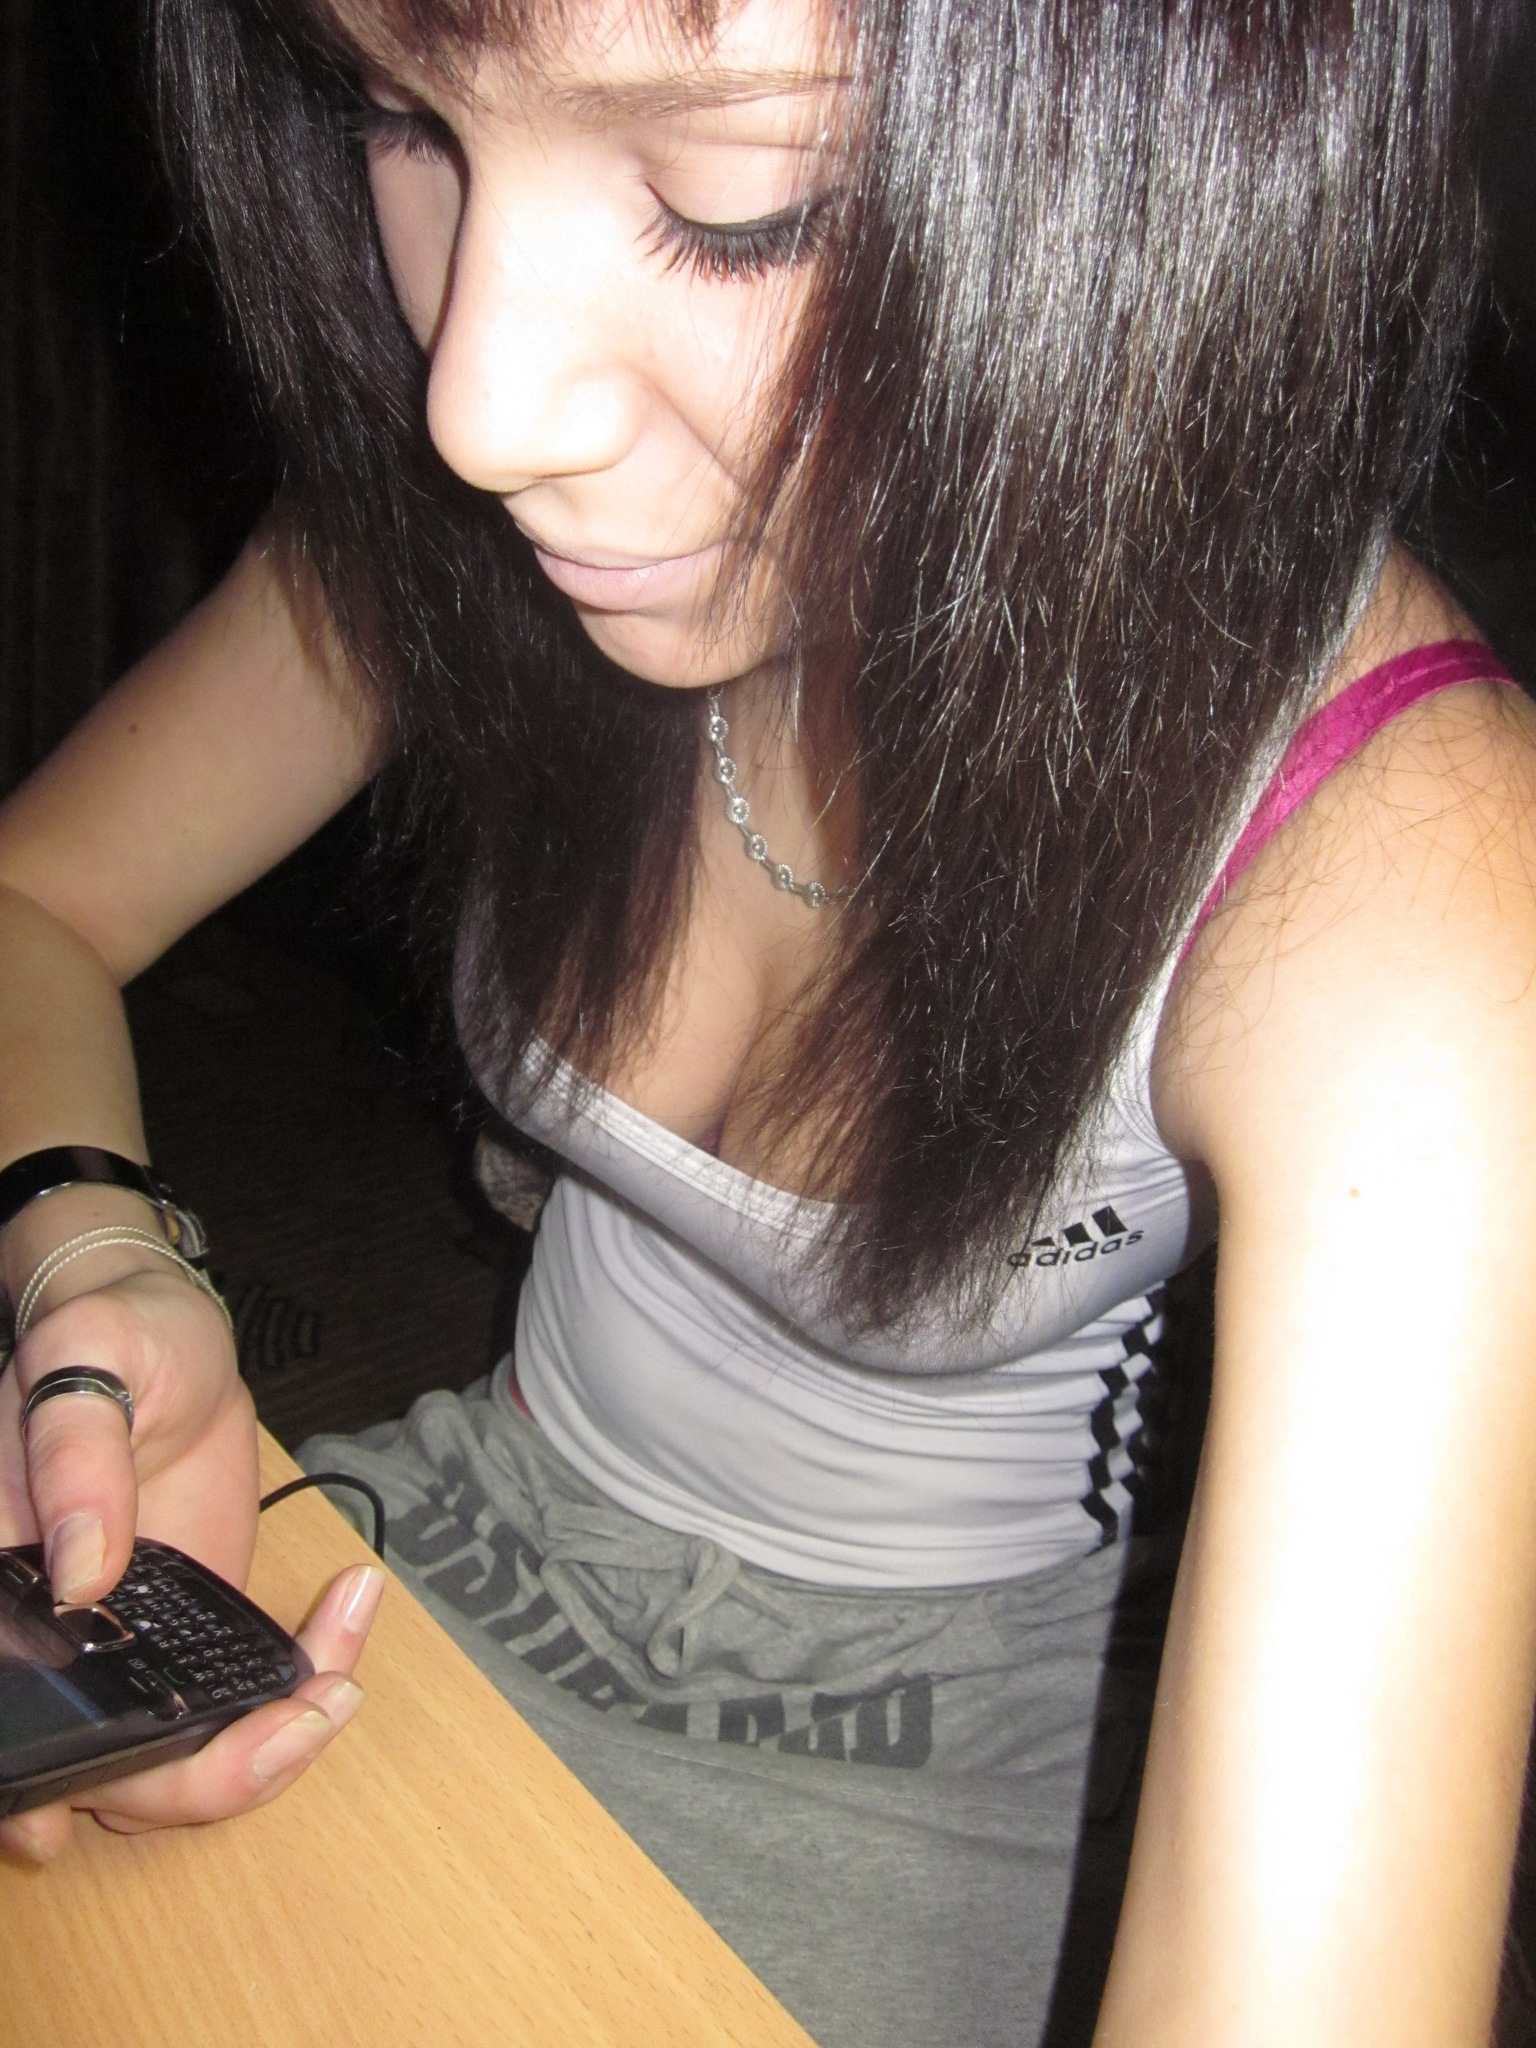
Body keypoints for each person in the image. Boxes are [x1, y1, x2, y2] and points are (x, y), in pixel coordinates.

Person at [0, 0, 1532, 2040]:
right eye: (404, 120)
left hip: (935, 1755)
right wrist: (94, 1250)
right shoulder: (517, 513)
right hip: (467, 1519)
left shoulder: (1403, 862)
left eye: (737, 206)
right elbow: (36, 900)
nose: (477, 405)